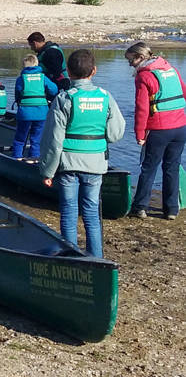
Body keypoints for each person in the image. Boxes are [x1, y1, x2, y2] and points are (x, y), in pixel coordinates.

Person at [39, 50, 125, 257]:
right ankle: (96, 258)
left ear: (68, 71)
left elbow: (53, 140)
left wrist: (47, 171)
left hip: (69, 164)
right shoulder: (106, 97)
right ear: (94, 71)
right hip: (95, 164)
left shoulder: (64, 98)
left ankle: (71, 256)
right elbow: (115, 134)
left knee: (69, 211)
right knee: (91, 212)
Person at [125, 42, 186, 220]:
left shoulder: (144, 77)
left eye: (131, 60)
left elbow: (142, 109)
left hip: (159, 129)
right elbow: (183, 91)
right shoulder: (170, 69)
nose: (130, 65)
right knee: (172, 167)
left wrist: (140, 135)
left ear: (141, 58)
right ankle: (171, 210)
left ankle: (140, 207)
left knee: (149, 168)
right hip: (180, 127)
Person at [13, 54, 58, 159]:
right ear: (37, 64)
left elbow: (18, 94)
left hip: (25, 112)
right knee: (36, 139)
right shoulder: (43, 78)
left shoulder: (21, 79)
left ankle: (17, 158)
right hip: (41, 112)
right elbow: (54, 89)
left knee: (20, 138)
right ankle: (34, 159)